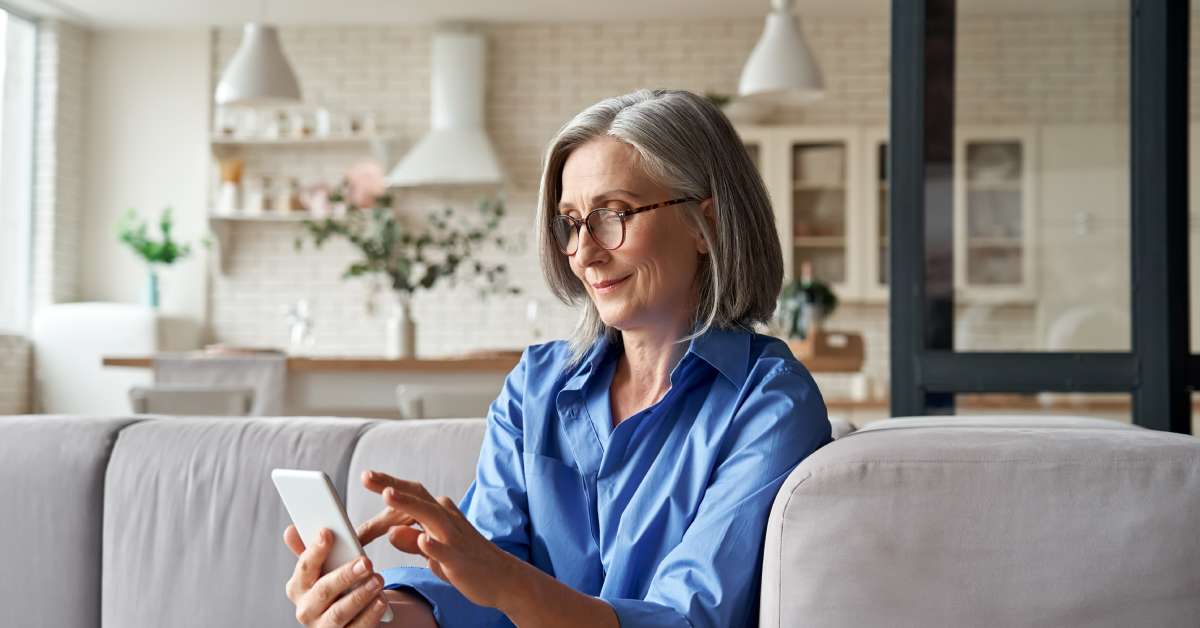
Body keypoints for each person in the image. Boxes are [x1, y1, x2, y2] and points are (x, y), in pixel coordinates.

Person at [282, 88, 832, 628]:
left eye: (613, 214)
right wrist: (376, 614)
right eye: (571, 222)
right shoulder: (536, 384)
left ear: (704, 225)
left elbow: (684, 619)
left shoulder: (770, 402)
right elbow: (477, 594)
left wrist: (500, 576)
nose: (584, 252)